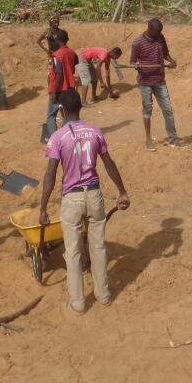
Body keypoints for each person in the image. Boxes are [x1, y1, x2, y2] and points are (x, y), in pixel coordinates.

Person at [38, 90, 131, 314]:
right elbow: (108, 163)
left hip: (72, 198)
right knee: (97, 246)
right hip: (94, 195)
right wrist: (122, 192)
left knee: (73, 251)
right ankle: (104, 295)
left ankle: (78, 302)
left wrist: (42, 207)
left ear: (61, 111)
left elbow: (50, 174)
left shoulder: (58, 137)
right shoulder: (95, 132)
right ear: (80, 107)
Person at [129, 18, 180, 151]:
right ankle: (148, 140)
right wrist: (137, 65)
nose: (158, 34)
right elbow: (132, 61)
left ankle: (173, 138)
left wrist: (172, 61)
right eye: (156, 32)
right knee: (148, 109)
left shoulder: (160, 37)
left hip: (159, 80)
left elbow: (165, 54)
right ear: (149, 29)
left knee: (168, 109)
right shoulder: (137, 43)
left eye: (159, 32)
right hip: (145, 82)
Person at [41, 31, 79, 144]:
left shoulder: (58, 55)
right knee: (66, 114)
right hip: (69, 87)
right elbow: (75, 62)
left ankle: (55, 139)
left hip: (58, 89)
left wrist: (53, 91)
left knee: (51, 115)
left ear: (57, 40)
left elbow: (58, 74)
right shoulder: (71, 52)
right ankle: (65, 135)